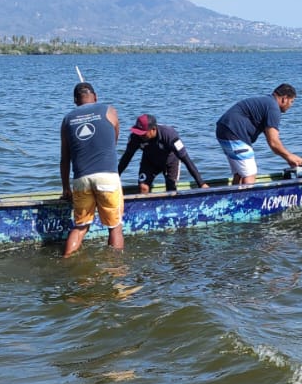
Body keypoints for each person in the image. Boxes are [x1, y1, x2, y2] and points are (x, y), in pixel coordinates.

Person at [58, 82, 124, 256]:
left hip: (81, 180)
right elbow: (114, 140)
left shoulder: (67, 120)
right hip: (107, 176)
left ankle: (66, 259)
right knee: (114, 227)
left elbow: (65, 159)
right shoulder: (109, 110)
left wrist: (66, 188)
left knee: (80, 227)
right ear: (95, 97)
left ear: (75, 100)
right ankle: (115, 268)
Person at [215, 83, 302, 185]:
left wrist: (287, 157)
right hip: (234, 132)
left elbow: (271, 139)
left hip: (222, 129)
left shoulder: (266, 102)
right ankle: (246, 200)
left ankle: (233, 197)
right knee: (250, 174)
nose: (290, 106)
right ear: (284, 99)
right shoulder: (273, 108)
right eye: (291, 102)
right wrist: (289, 156)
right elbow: (273, 142)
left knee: (239, 173)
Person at [118, 113, 210, 193]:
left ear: (153, 129)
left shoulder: (169, 135)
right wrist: (116, 176)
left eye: (143, 133)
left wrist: (201, 184)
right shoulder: (135, 137)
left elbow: (186, 159)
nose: (140, 135)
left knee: (171, 189)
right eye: (138, 132)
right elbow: (127, 157)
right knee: (143, 187)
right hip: (149, 161)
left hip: (170, 162)